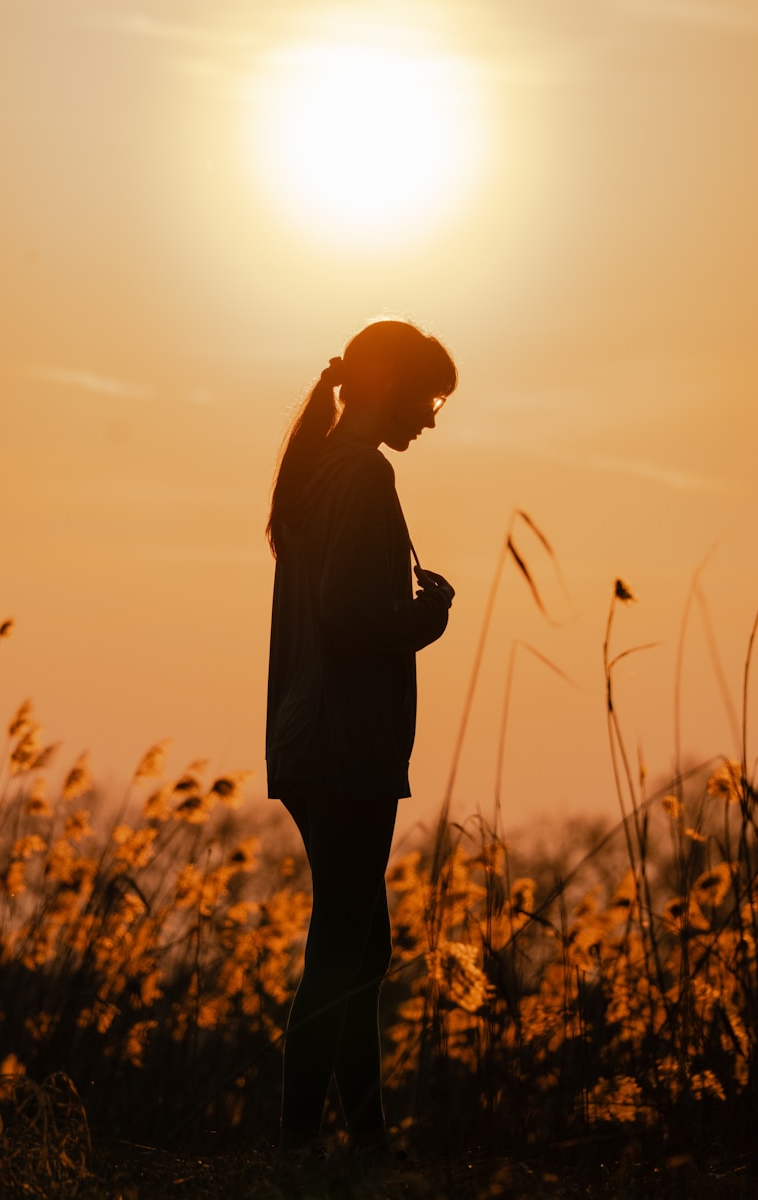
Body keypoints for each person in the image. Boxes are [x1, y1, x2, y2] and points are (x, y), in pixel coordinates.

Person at [265, 317, 457, 1159]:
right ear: (385, 384)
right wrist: (426, 619)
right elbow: (348, 620)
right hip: (348, 744)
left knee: (359, 942)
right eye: (427, 397)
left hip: (307, 736)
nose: (431, 417)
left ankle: (362, 1138)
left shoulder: (317, 470)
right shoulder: (363, 477)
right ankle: (304, 1142)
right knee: (346, 942)